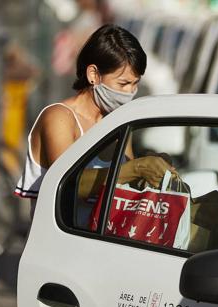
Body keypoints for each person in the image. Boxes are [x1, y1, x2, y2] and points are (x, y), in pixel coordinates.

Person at [15, 24, 173, 217]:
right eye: (123, 83)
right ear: (93, 75)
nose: (130, 92)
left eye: (135, 84)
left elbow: (125, 186)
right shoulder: (60, 118)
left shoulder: (119, 122)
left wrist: (153, 170)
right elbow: (67, 184)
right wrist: (137, 168)